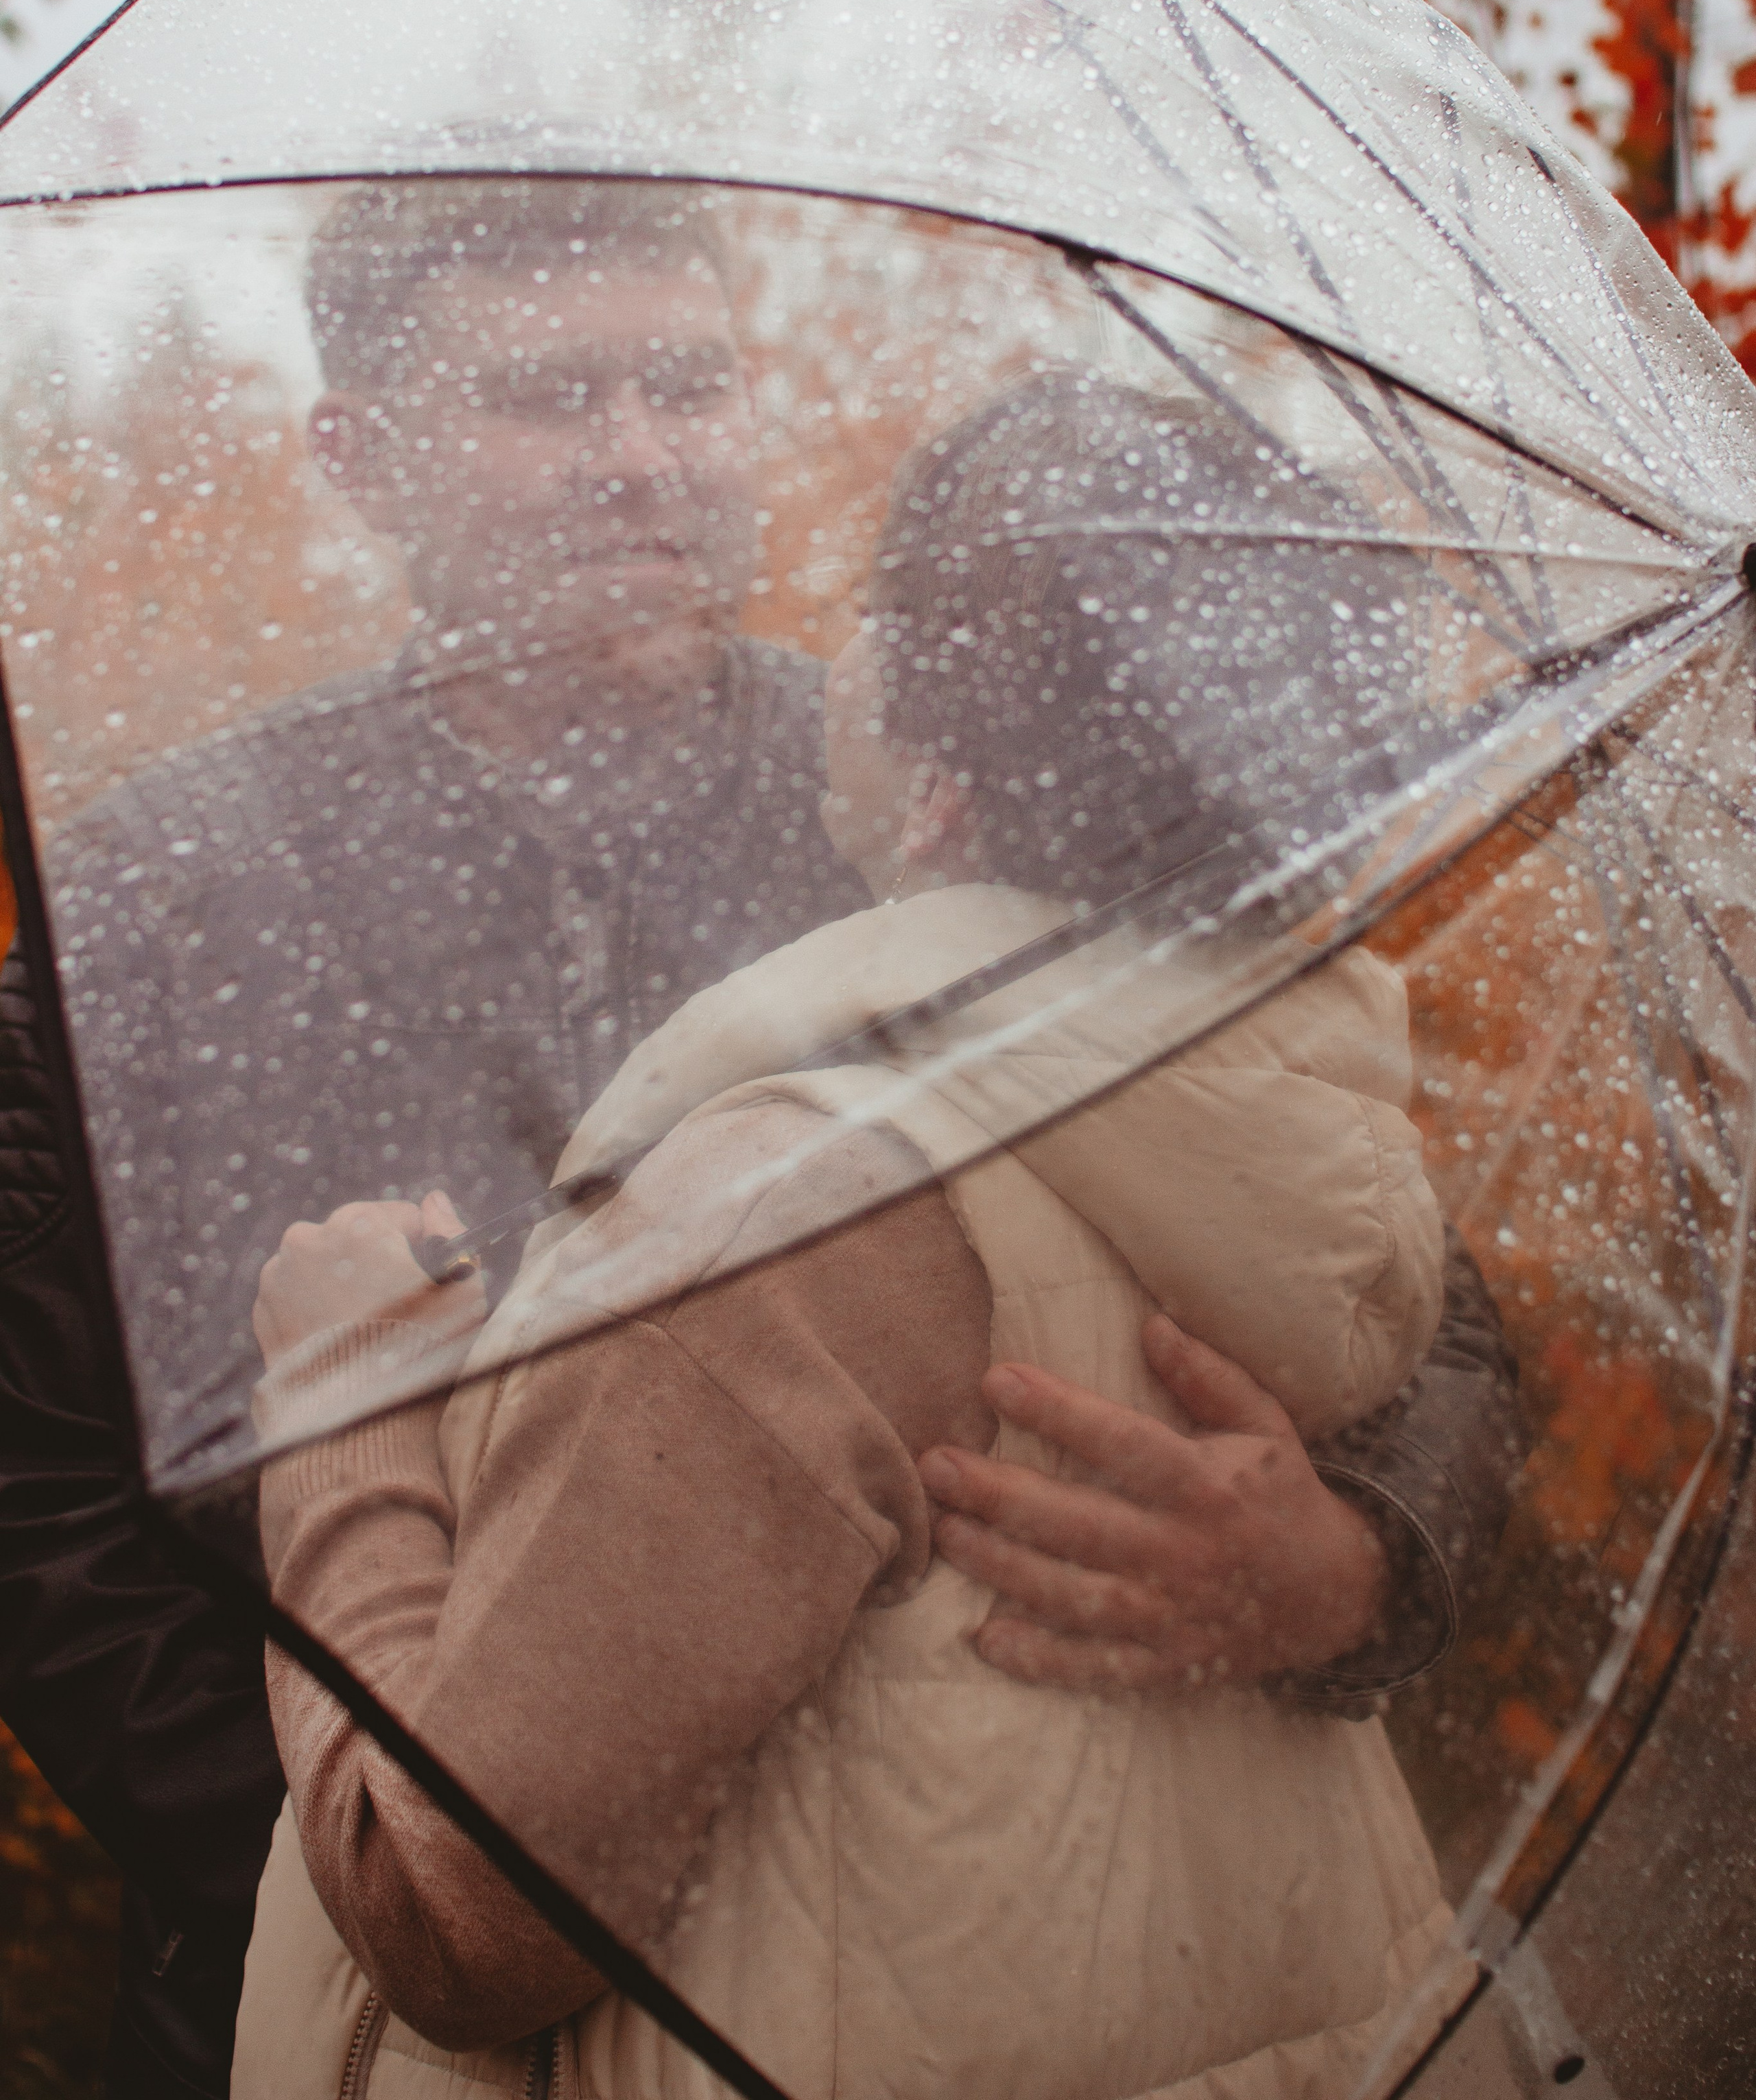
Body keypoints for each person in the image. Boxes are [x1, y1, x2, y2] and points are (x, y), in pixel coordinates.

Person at [0, 182, 1523, 2097]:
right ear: (357, 455)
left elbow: (1388, 1278)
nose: (639, 458)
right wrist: (353, 1868)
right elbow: (38, 1490)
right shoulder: (162, 903)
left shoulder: (955, 791)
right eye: (551, 399)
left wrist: (1361, 1561)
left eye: (687, 386)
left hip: (916, 1977)